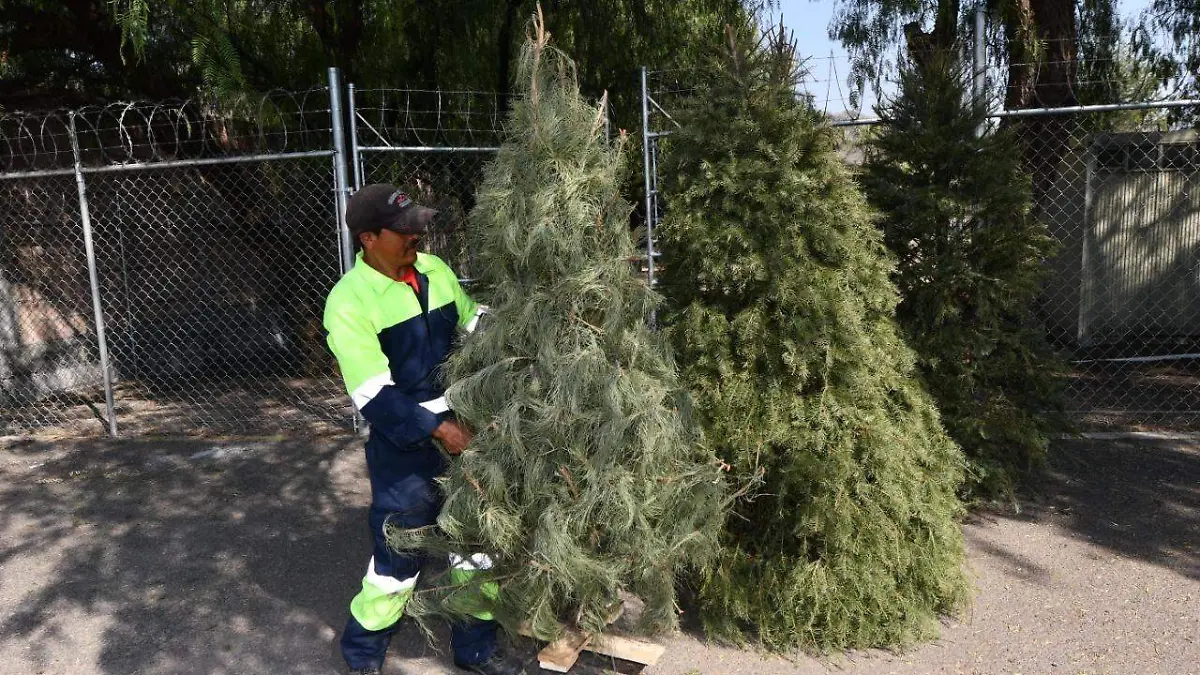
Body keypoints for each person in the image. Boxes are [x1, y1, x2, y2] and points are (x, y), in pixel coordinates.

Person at [323, 184, 524, 675]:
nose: (417, 237)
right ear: (369, 238)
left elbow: (472, 324)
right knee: (401, 549)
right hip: (406, 446)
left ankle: (476, 649)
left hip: (466, 429)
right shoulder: (349, 302)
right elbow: (374, 394)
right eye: (404, 230)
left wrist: (518, 326)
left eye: (417, 227)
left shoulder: (435, 271)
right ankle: (363, 653)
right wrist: (440, 428)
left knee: (475, 545)